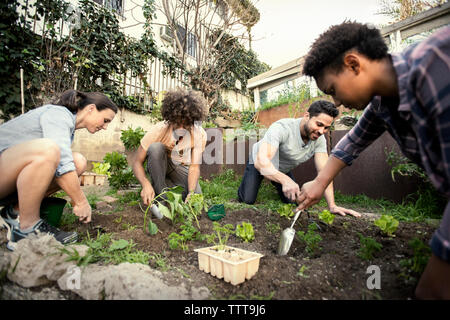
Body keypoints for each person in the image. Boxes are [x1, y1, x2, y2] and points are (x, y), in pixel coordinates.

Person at [296, 22, 450, 299]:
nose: (337, 101)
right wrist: (319, 183)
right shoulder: (383, 101)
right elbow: (352, 141)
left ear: (354, 64)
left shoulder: (435, 68)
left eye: (333, 89)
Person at [0, 89, 118, 251]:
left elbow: (63, 164)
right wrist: (81, 201)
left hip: (6, 177)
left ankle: (15, 212)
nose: (105, 127)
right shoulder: (58, 114)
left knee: (78, 162)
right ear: (91, 109)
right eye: (105, 120)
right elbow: (61, 159)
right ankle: (26, 229)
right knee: (50, 149)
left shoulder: (68, 126)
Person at [237, 99, 360, 217]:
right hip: (260, 161)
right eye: (319, 124)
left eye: (326, 128)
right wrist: (285, 180)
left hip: (282, 168)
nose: (322, 131)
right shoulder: (282, 128)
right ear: (307, 116)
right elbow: (262, 162)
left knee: (295, 201)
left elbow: (324, 172)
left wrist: (332, 206)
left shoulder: (319, 140)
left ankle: (279, 181)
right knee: (248, 199)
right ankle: (248, 186)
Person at [132, 88, 208, 206]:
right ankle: (160, 197)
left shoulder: (199, 134)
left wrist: (191, 192)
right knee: (156, 148)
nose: (182, 128)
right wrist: (145, 184)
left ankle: (164, 187)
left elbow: (194, 167)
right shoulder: (159, 130)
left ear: (192, 121)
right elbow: (137, 162)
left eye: (186, 124)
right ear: (170, 118)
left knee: (195, 197)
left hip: (179, 168)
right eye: (178, 123)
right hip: (160, 165)